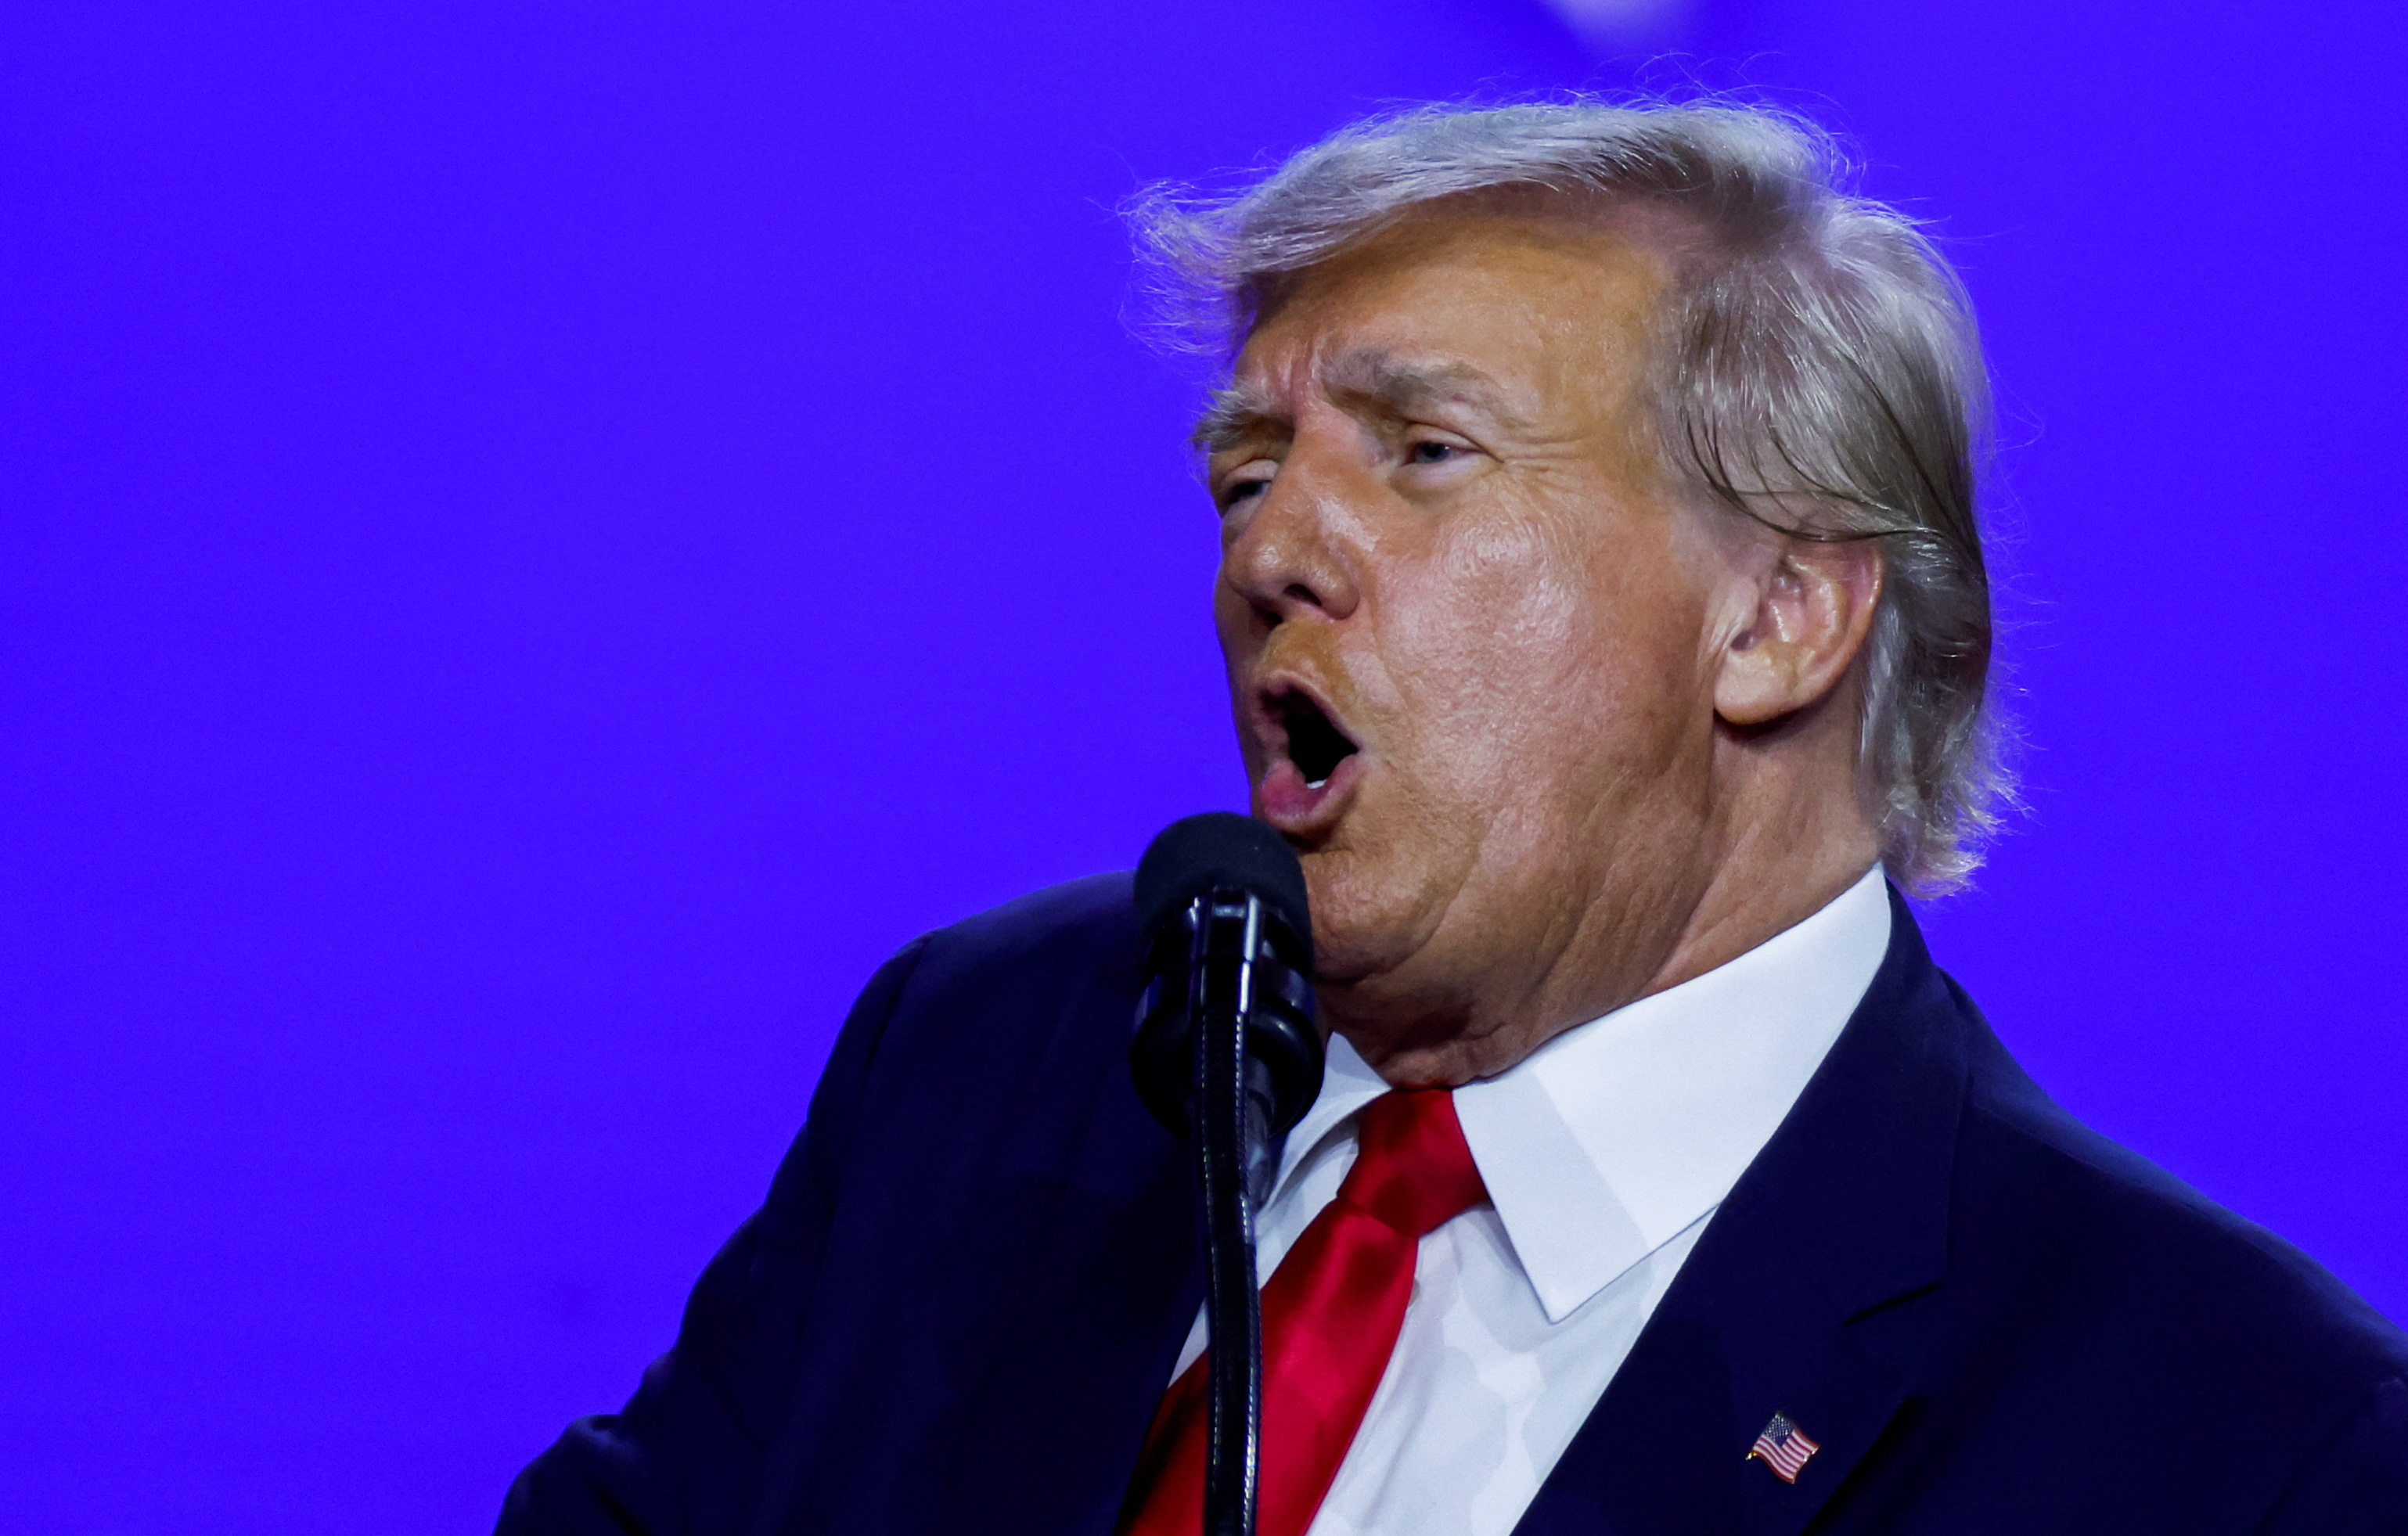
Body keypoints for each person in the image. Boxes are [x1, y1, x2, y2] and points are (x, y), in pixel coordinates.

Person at [496, 100, 2408, 1535]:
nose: (1276, 552)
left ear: (1780, 616)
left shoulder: (2241, 1441)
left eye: (1424, 455)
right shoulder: (998, 1061)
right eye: (1248, 473)